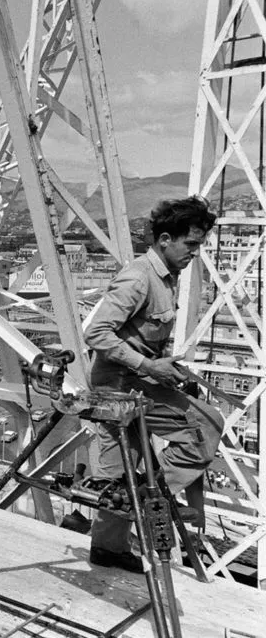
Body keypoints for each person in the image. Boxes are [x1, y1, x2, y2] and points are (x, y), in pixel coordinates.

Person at [84, 197, 224, 574]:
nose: (195, 253)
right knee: (204, 428)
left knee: (198, 427)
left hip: (137, 381)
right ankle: (140, 506)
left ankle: (131, 514)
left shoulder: (167, 276)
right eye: (190, 244)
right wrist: (149, 366)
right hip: (118, 386)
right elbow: (95, 333)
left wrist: (164, 367)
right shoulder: (138, 277)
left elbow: (142, 336)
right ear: (165, 239)